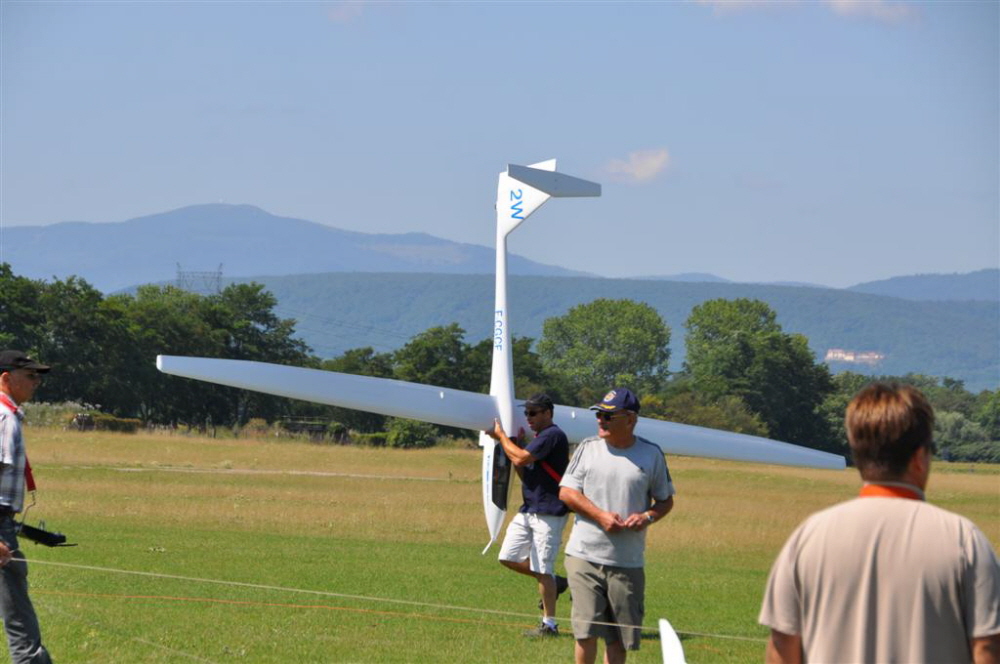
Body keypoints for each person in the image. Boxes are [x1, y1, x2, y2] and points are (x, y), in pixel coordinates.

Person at [759, 382, 1000, 664]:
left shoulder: (808, 537)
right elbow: (988, 648)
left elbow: (782, 645)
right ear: (920, 457)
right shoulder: (964, 541)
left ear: (858, 454)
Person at [558, 388, 675, 664]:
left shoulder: (651, 454)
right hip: (583, 555)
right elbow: (567, 492)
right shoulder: (587, 449)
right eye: (599, 415)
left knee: (619, 638)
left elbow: (665, 501)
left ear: (631, 419)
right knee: (585, 632)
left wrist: (646, 517)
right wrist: (600, 516)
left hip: (627, 562)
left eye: (609, 416)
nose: (601, 420)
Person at [486, 393, 570, 637]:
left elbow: (521, 458)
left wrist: (501, 436)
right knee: (507, 556)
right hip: (529, 509)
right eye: (526, 413)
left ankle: (550, 625)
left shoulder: (553, 435)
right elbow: (525, 470)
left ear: (547, 413)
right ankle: (557, 582)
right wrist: (515, 447)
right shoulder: (539, 439)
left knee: (543, 569)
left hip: (549, 512)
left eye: (533, 413)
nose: (528, 418)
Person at [0, 351, 53, 664]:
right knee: (21, 626)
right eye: (30, 376)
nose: (37, 382)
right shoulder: (4, 418)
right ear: (6, 377)